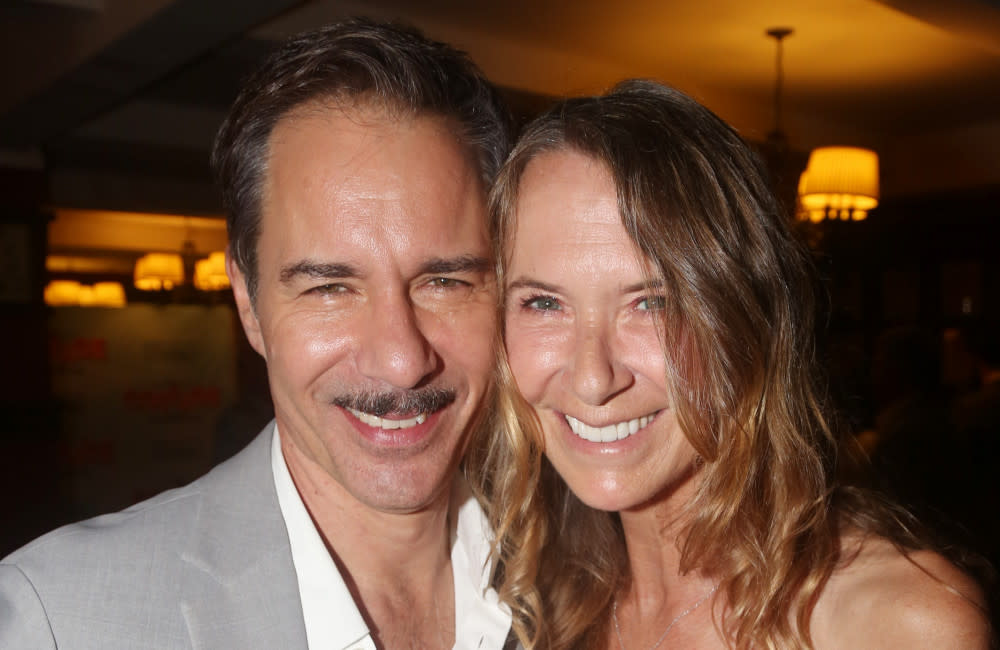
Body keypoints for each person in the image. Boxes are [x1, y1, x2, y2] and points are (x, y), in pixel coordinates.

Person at [1, 18, 514, 648]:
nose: (402, 361)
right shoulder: (58, 619)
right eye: (330, 287)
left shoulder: (582, 579)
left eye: (445, 282)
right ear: (248, 302)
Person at [468, 79, 992, 649]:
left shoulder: (896, 625)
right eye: (543, 303)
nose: (593, 378)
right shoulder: (528, 595)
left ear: (747, 322)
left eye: (654, 303)